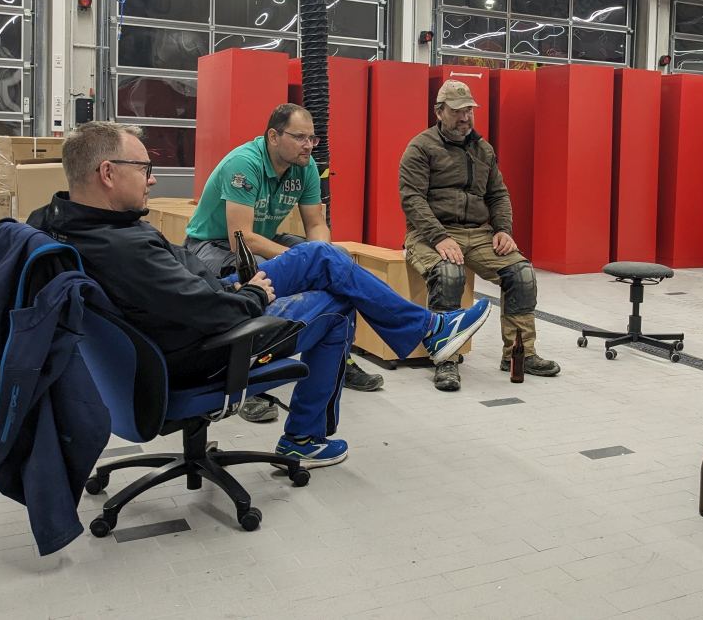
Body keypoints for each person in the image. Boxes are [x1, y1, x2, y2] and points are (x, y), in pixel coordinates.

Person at [28, 121, 490, 468]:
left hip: (194, 315)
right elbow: (208, 297)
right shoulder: (123, 246)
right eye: (145, 169)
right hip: (212, 344)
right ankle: (306, 436)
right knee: (337, 305)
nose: (152, 179)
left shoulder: (61, 223)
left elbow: (178, 285)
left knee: (322, 258)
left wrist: (233, 288)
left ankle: (427, 330)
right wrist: (250, 296)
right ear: (108, 173)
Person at [183, 104, 385, 416]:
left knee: (338, 261)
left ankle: (340, 358)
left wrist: (322, 257)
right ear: (273, 136)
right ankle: (243, 376)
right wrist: (303, 261)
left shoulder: (305, 166)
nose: (309, 145)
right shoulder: (244, 164)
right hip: (213, 244)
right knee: (255, 272)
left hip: (263, 239)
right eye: (300, 137)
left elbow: (316, 224)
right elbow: (242, 239)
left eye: (312, 138)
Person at [399, 79, 559, 392]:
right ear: (439, 112)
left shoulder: (483, 149)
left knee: (521, 273)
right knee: (449, 275)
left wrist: (503, 230)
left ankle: (520, 354)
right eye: (457, 111)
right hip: (429, 233)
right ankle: (446, 358)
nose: (465, 117)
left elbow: (498, 194)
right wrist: (439, 237)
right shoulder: (420, 147)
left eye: (469, 111)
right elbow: (412, 199)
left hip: (478, 232)